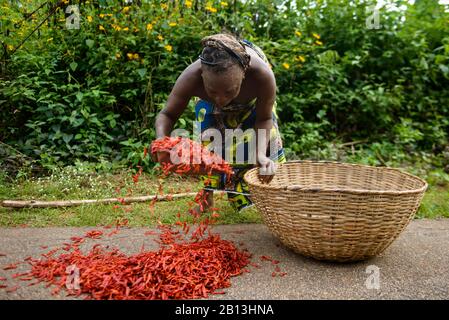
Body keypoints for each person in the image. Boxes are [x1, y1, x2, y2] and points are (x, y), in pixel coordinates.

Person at [153, 33, 286, 212]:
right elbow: (167, 114)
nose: (221, 100)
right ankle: (207, 193)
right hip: (209, 105)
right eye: (212, 91)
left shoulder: (262, 76)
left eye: (229, 91)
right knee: (210, 143)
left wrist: (260, 154)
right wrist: (161, 142)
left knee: (260, 146)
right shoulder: (191, 77)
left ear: (244, 74)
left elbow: (264, 119)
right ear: (202, 76)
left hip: (252, 105)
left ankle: (256, 190)